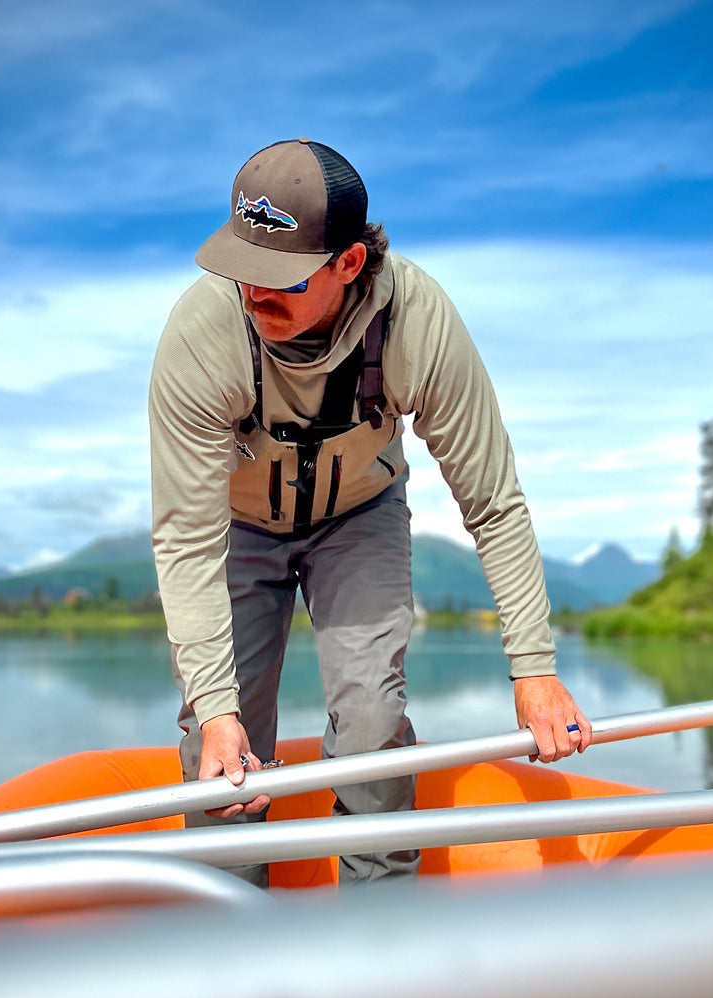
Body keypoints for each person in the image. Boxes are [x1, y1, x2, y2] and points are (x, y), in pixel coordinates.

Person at [148, 138, 589, 886]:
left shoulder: (419, 322)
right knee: (220, 737)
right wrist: (216, 708)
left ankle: (381, 923)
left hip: (359, 516)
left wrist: (534, 668)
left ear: (349, 263)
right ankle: (221, 929)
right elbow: (186, 539)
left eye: (282, 279)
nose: (256, 296)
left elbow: (492, 501)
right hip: (234, 529)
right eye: (244, 271)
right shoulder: (200, 335)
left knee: (371, 719)